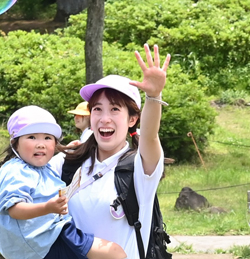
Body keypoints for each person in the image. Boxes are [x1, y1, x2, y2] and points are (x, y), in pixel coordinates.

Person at [50, 44, 170, 259]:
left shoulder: (139, 168)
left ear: (132, 119)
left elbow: (150, 136)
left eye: (115, 109)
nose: (104, 118)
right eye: (97, 109)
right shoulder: (67, 162)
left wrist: (154, 96)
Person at [0, 105, 127, 259]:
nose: (41, 144)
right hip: (45, 240)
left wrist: (66, 149)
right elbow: (15, 210)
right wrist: (48, 207)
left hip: (48, 237)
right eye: (31, 137)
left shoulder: (38, 167)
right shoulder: (17, 171)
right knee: (114, 253)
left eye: (48, 138)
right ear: (15, 143)